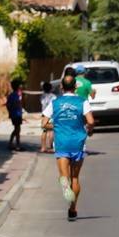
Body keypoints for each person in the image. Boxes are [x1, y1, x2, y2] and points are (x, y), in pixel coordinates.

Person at [50, 69, 95, 221]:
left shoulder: (54, 103)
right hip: (78, 142)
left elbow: (43, 123)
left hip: (61, 143)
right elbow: (91, 121)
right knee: (75, 177)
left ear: (61, 87)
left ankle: (64, 184)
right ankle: (73, 208)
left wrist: (57, 125)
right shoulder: (82, 102)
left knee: (65, 176)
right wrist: (89, 130)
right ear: (75, 87)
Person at [6, 80, 24, 150]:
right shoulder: (16, 95)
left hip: (15, 114)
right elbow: (18, 104)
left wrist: (10, 112)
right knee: (17, 129)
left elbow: (8, 105)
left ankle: (13, 144)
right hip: (17, 114)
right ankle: (16, 144)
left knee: (17, 129)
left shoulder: (11, 95)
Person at [39, 81, 55, 153]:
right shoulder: (53, 96)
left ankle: (43, 147)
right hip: (51, 115)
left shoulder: (42, 96)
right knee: (51, 130)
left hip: (44, 115)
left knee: (44, 130)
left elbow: (41, 103)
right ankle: (51, 147)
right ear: (51, 88)